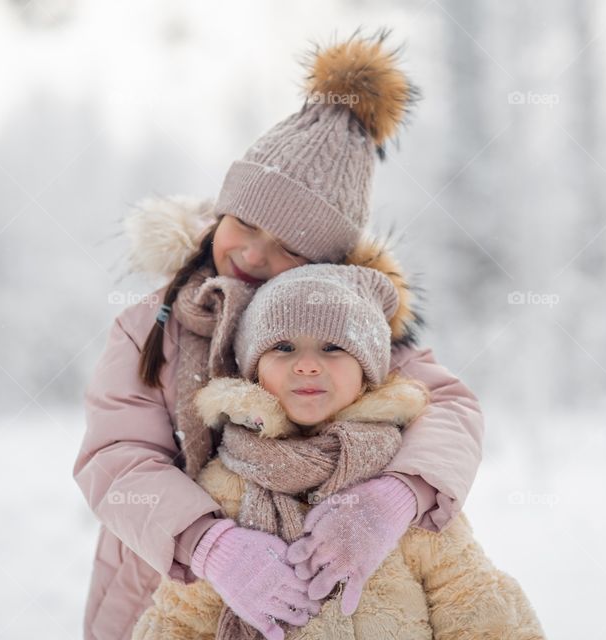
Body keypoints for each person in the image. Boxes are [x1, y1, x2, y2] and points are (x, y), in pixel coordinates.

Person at [73, 31, 485, 640]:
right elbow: (116, 457)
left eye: (289, 246)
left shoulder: (353, 332)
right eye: (243, 222)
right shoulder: (150, 327)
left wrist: (393, 499)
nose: (253, 253)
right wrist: (212, 545)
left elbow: (451, 407)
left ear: (328, 264)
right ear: (222, 209)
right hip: (164, 591)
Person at [132, 263, 545, 639]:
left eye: (332, 347)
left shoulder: (401, 481)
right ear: (253, 370)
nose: (308, 365)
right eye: (284, 347)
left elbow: (469, 598)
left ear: (368, 372)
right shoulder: (226, 483)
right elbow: (180, 621)